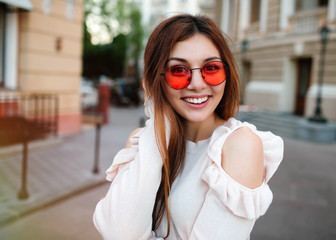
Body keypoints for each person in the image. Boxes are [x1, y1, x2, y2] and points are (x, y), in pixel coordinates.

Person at [93, 14, 284, 240]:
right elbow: (119, 232)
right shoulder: (142, 141)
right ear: (155, 80)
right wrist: (158, 124)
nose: (197, 84)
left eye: (211, 68)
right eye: (178, 71)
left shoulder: (240, 145)